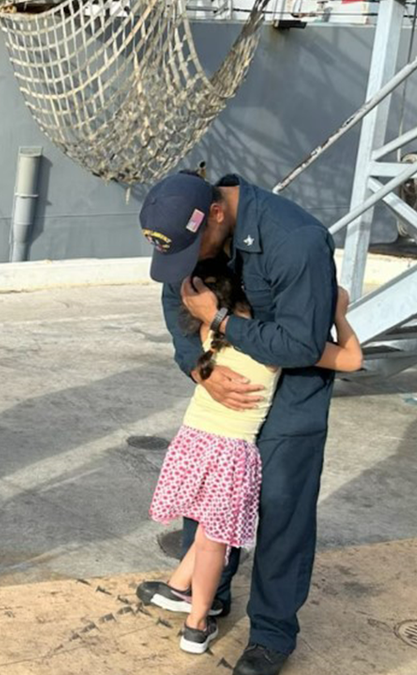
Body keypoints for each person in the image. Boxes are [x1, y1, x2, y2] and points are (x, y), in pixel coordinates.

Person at [134, 170, 340, 675]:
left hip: (292, 384)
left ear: (219, 214)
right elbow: (177, 294)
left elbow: (302, 345)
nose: (193, 261)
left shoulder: (297, 241)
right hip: (227, 376)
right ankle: (209, 595)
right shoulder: (195, 232)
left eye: (194, 249)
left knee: (281, 503)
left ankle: (271, 633)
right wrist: (199, 366)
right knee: (212, 485)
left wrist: (222, 321)